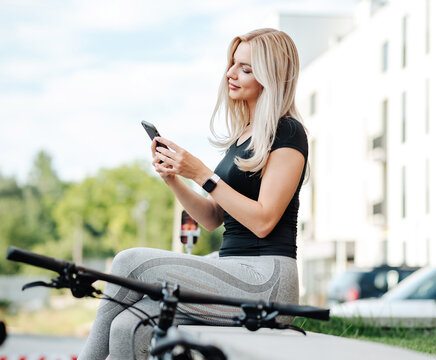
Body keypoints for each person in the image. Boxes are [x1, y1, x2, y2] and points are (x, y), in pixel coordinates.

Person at [78, 28, 308, 360]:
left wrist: (201, 172)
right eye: (232, 64)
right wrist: (175, 179)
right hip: (234, 271)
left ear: (271, 76)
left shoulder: (288, 132)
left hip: (267, 280)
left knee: (128, 261)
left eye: (245, 68)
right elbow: (212, 218)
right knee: (128, 324)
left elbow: (263, 221)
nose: (230, 73)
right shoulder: (242, 136)